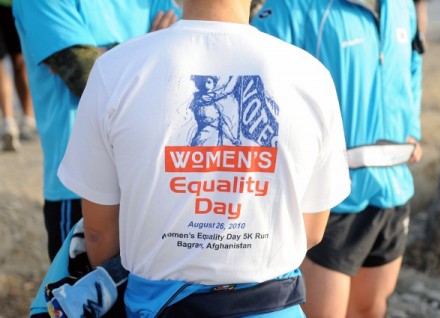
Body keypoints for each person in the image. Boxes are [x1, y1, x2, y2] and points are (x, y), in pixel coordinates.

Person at [56, 0, 351, 316]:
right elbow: (312, 228)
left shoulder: (116, 69)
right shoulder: (309, 74)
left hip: (156, 306)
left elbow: (100, 234)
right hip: (271, 305)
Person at [252, 1, 423, 317]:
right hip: (331, 200)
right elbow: (257, 80)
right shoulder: (294, 6)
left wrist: (412, 125)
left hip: (393, 187)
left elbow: (413, 61)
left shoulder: (402, 6)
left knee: (371, 309)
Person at [13, 0, 181, 262]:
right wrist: (156, 48)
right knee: (84, 297)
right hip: (78, 189)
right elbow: (89, 78)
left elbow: (194, 59)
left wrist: (118, 54)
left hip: (151, 181)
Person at [0, 0, 36, 151]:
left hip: (16, 6)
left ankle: (10, 121)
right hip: (19, 5)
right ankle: (26, 120)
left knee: (15, 63)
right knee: (20, 62)